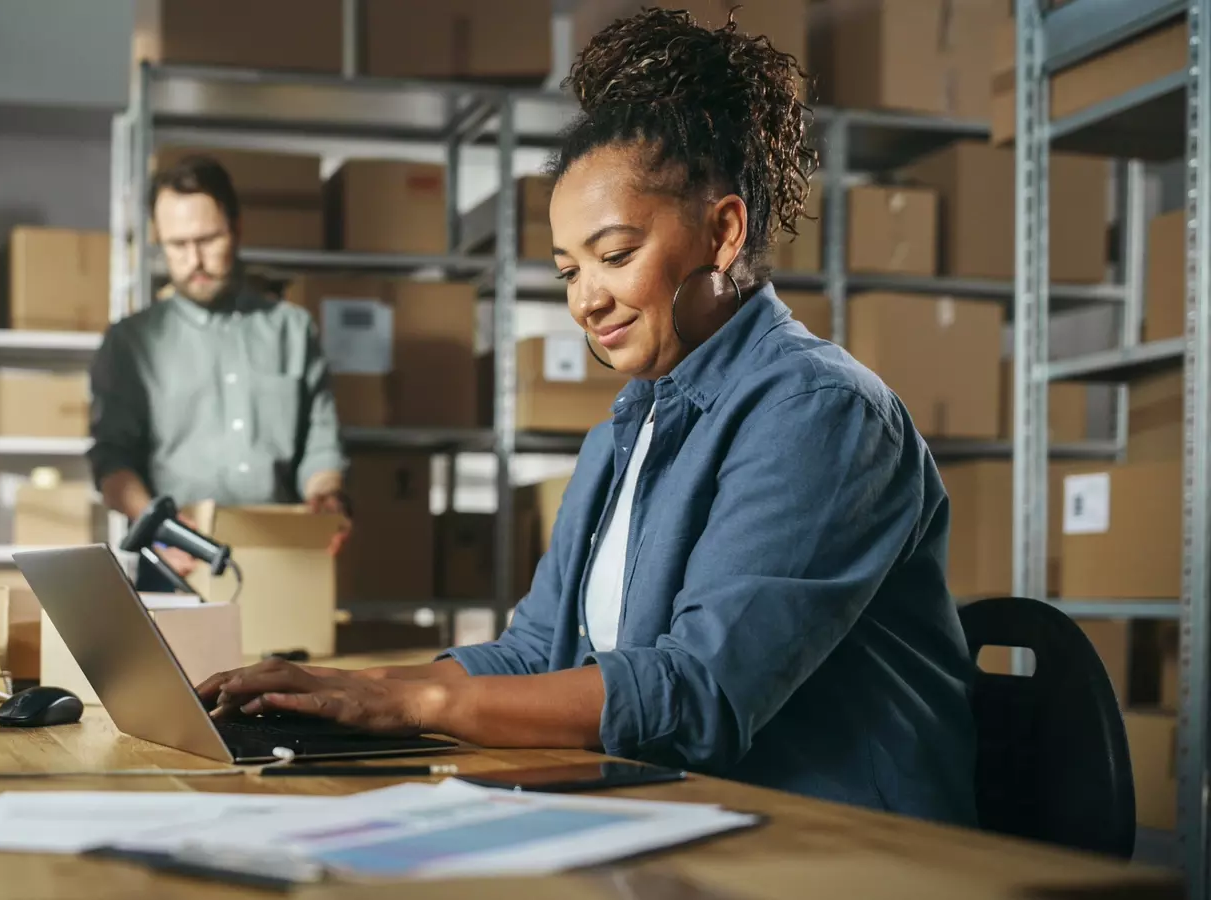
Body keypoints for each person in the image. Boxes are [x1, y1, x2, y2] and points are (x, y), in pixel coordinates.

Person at [194, 10, 977, 826]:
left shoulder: (823, 414)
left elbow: (698, 693)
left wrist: (417, 706)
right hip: (685, 815)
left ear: (723, 231)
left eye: (615, 254)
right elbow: (537, 652)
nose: (585, 299)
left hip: (843, 844)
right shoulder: (625, 430)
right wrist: (347, 689)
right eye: (568, 270)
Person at [89, 155, 349, 577]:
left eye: (208, 239)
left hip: (281, 558)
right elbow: (111, 460)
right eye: (177, 245)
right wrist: (158, 526)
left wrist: (326, 497)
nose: (194, 259)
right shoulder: (129, 343)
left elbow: (321, 448)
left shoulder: (293, 330)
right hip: (176, 561)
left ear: (237, 229)